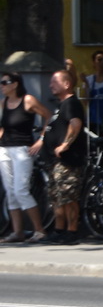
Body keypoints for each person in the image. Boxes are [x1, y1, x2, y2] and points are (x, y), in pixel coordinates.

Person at [33, 70, 89, 243]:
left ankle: (72, 232)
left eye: (54, 82)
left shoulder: (72, 103)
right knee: (57, 198)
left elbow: (75, 123)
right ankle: (59, 230)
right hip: (55, 162)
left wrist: (66, 144)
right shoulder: (61, 105)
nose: (50, 85)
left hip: (68, 161)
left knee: (69, 197)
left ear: (66, 84)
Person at [0, 72, 48, 243]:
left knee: (21, 189)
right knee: (10, 191)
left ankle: (39, 230)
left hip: (22, 149)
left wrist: (41, 139)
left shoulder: (28, 100)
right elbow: (3, 126)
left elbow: (48, 116)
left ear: (15, 84)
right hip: (5, 149)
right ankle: (17, 231)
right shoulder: (4, 103)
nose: (2, 85)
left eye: (5, 82)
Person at [83, 50, 103, 137]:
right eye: (99, 60)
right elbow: (86, 102)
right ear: (94, 62)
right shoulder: (89, 80)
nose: (102, 63)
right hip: (93, 119)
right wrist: (86, 85)